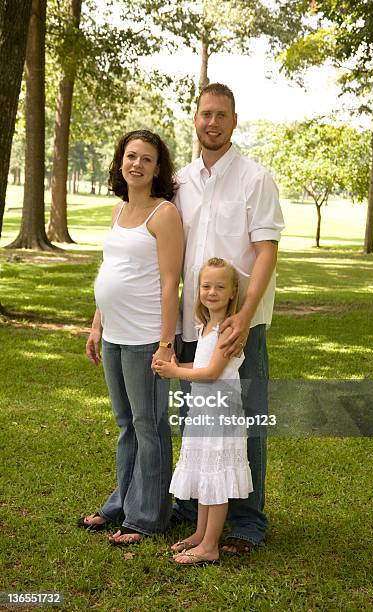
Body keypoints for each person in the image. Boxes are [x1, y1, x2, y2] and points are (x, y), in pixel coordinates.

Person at [172, 83, 285, 553]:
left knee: (244, 421)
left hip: (242, 326)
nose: (212, 122)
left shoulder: (256, 178)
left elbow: (265, 252)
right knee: (197, 420)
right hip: (193, 323)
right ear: (195, 120)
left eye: (221, 115)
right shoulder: (179, 182)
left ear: (234, 121)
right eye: (205, 114)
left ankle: (246, 522)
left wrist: (245, 313)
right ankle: (199, 508)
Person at [79, 129, 183, 545]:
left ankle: (147, 517)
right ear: (120, 161)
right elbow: (111, 272)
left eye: (146, 158)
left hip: (144, 339)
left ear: (158, 169)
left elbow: (170, 281)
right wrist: (97, 323)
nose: (136, 164)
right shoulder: (118, 211)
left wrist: (164, 343)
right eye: (130, 156)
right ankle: (123, 501)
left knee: (149, 426)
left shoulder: (165, 215)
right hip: (115, 335)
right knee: (126, 424)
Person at [155, 257, 253, 565]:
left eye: (220, 286)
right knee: (205, 470)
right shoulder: (207, 326)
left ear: (233, 292)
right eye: (206, 285)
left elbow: (211, 373)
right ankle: (200, 534)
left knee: (217, 475)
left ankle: (210, 546)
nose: (211, 292)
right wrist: (172, 366)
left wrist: (175, 373)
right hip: (204, 411)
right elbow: (201, 367)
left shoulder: (227, 329)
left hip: (220, 414)